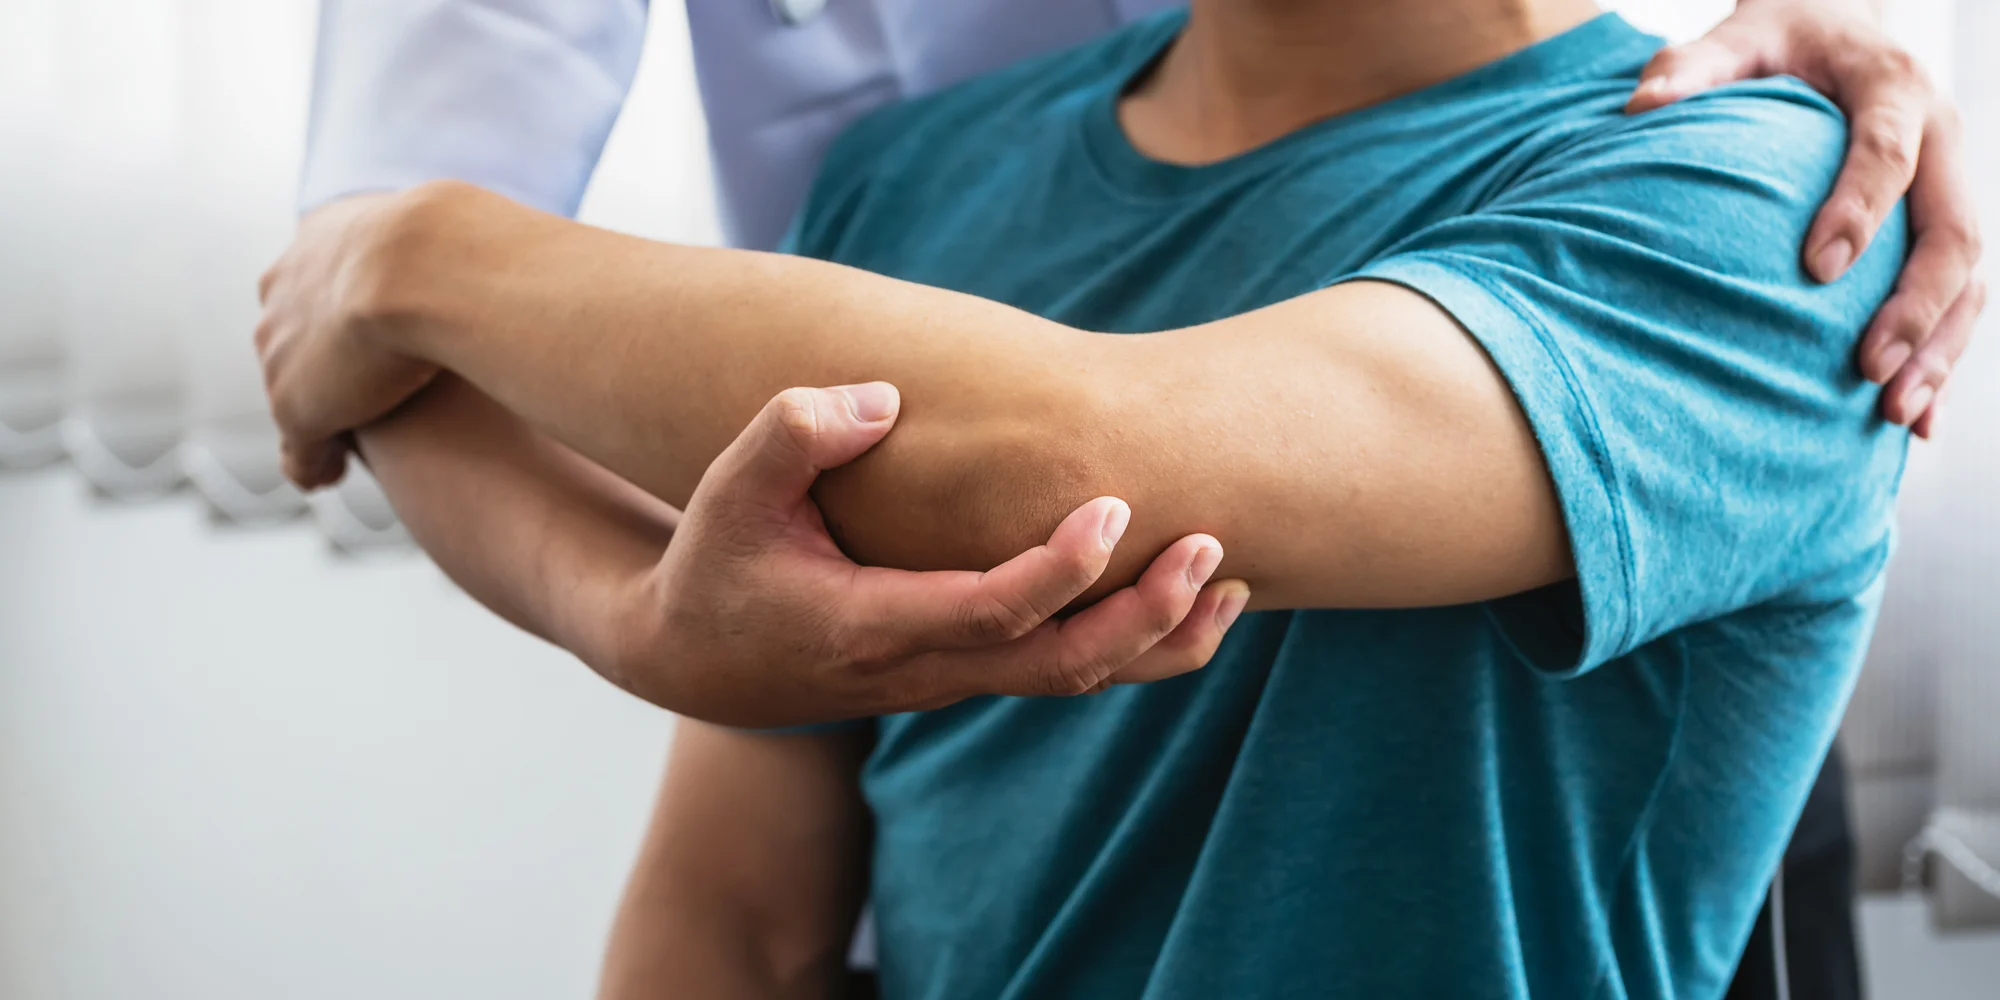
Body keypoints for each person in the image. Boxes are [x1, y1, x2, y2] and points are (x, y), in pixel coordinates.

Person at [257, 3, 1977, 998]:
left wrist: (420, 250)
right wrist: (633, 603)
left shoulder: (1761, 201)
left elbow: (1065, 470)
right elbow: (737, 914)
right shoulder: (907, 181)